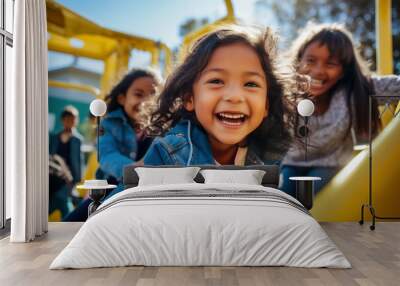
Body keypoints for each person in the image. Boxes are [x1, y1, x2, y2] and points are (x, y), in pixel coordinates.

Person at [143, 25, 294, 166]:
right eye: (216, 81)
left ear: (266, 105)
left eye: (251, 84)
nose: (235, 96)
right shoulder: (167, 154)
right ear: (189, 98)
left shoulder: (276, 155)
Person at [279, 23, 400, 197]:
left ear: (343, 71)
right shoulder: (287, 90)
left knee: (309, 194)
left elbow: (396, 86)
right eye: (311, 61)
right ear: (299, 61)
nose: (318, 71)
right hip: (293, 162)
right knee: (284, 193)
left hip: (330, 164)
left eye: (331, 63)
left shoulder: (352, 91)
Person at [63, 68, 160, 221]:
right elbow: (107, 155)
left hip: (146, 189)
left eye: (153, 96)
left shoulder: (161, 129)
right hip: (112, 184)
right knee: (76, 221)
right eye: (138, 94)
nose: (146, 102)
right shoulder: (109, 123)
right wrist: (134, 169)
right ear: (122, 98)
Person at [49, 106, 83, 218]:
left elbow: (78, 161)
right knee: (51, 204)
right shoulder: (55, 137)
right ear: (63, 120)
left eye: (73, 119)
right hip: (52, 177)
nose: (71, 122)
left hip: (67, 179)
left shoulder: (77, 139)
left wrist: (77, 179)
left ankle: (70, 224)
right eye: (68, 119)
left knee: (64, 203)